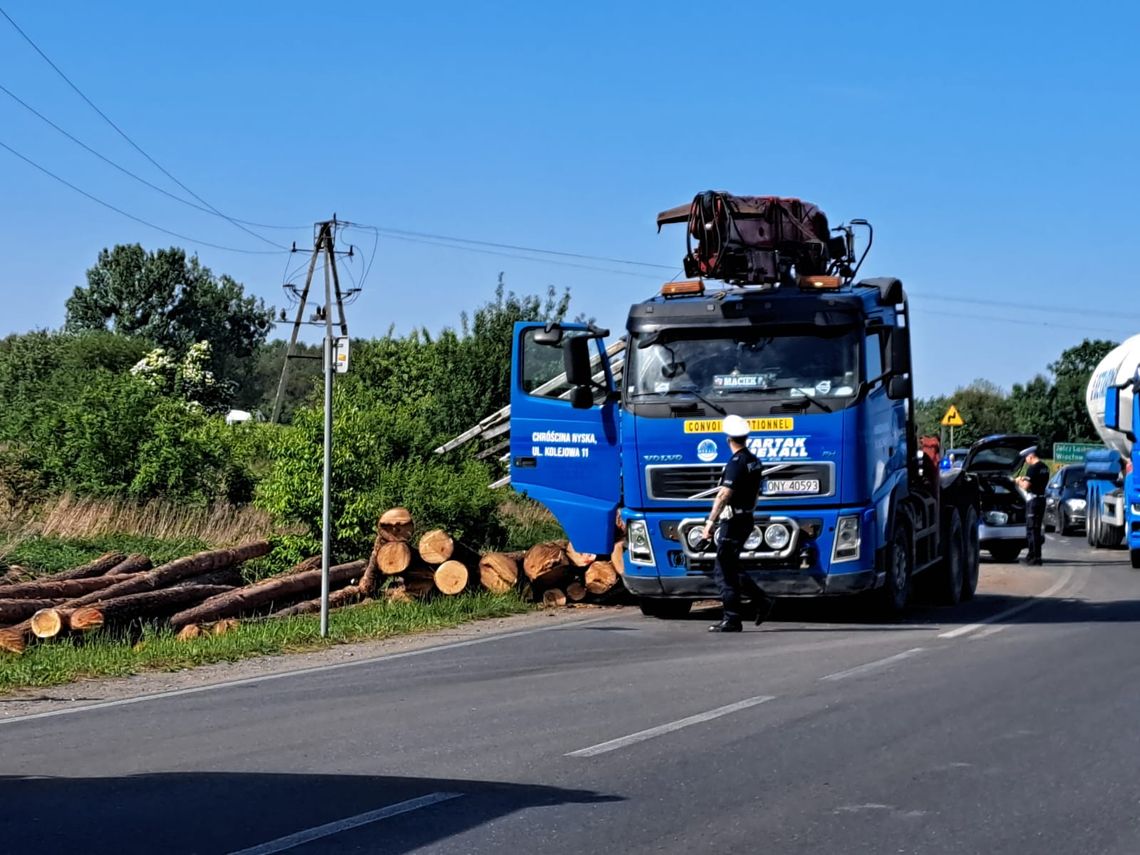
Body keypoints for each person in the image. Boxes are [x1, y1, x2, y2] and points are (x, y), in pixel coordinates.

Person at [701, 414, 775, 632]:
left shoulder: (736, 463)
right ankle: (760, 601)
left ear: (728, 439)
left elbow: (723, 494)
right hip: (746, 517)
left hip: (733, 521)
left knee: (724, 569)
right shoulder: (754, 461)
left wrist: (709, 523)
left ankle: (732, 617)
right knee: (730, 566)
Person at [1017, 445, 1049, 566]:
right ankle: (1035, 555)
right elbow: (1037, 481)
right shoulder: (1045, 468)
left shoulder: (1033, 469)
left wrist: (1018, 481)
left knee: (1032, 530)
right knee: (1036, 528)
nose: (1026, 461)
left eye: (1026, 459)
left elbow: (1025, 486)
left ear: (1031, 456)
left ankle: (1034, 557)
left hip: (1033, 502)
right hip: (1041, 500)